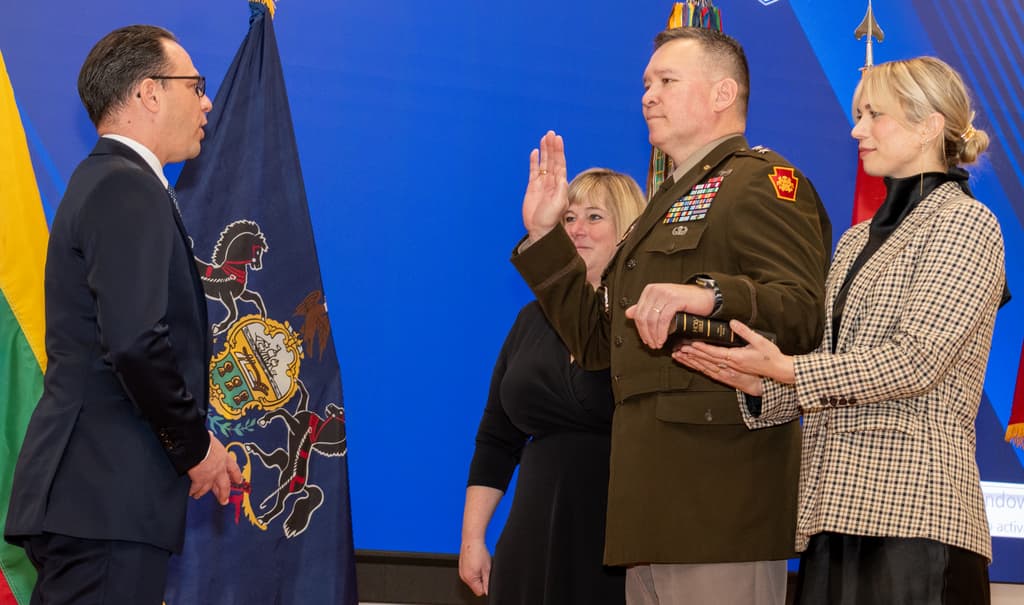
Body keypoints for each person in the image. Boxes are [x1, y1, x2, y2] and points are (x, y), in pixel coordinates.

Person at [512, 27, 832, 605]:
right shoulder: (660, 208)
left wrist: (710, 293)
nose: (648, 95)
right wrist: (543, 235)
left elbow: (804, 312)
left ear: (721, 94)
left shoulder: (761, 183)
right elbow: (597, 341)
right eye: (645, 84)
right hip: (648, 507)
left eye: (667, 81)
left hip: (720, 502)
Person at [676, 56, 1006, 604]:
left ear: (928, 125)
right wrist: (763, 384)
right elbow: (826, 364)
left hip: (917, 518)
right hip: (830, 513)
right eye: (858, 114)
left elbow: (917, 360)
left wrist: (787, 369)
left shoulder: (967, 223)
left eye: (874, 114)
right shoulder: (854, 240)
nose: (856, 129)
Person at [4, 25, 241, 604]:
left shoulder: (112, 183)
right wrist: (197, 448)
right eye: (196, 85)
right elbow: (136, 342)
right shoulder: (124, 186)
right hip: (105, 501)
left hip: (98, 502)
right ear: (149, 93)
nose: (207, 101)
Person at [459, 168, 646, 604]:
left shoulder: (643, 322)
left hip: (615, 541)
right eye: (568, 218)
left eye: (595, 217)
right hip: (530, 535)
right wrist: (472, 541)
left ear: (629, 230)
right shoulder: (529, 320)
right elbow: (495, 440)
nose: (577, 230)